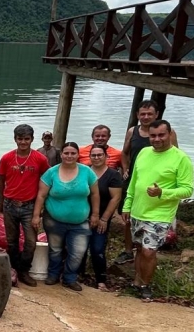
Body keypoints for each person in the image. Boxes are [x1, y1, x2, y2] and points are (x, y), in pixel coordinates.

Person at [123, 120, 192, 300]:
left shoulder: (180, 158)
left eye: (161, 135)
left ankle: (146, 285)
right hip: (138, 210)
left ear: (170, 134)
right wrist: (127, 205)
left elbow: (187, 189)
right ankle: (136, 282)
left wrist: (163, 192)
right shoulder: (144, 152)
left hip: (159, 214)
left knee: (149, 250)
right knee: (139, 247)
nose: (157, 139)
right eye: (153, 135)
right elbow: (134, 182)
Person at [116, 100, 180, 265]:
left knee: (153, 217)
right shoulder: (133, 131)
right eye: (142, 114)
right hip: (136, 179)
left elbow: (176, 157)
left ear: (157, 114)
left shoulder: (169, 132)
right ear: (137, 115)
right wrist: (125, 169)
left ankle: (151, 248)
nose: (145, 117)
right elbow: (124, 153)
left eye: (149, 114)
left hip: (159, 184)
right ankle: (129, 250)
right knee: (128, 217)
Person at [32, 142, 99, 291]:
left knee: (78, 252)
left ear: (78, 155)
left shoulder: (87, 172)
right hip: (55, 220)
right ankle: (53, 274)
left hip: (80, 221)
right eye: (66, 153)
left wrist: (95, 214)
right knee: (55, 249)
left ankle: (69, 277)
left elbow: (95, 194)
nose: (69, 156)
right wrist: (36, 215)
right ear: (61, 154)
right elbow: (41, 195)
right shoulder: (51, 173)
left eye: (73, 153)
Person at [0, 124, 50, 287]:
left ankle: (24, 270)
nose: (23, 142)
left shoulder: (40, 159)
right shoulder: (6, 158)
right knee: (12, 241)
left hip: (29, 206)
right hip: (10, 204)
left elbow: (46, 179)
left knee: (30, 241)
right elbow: (0, 180)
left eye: (26, 139)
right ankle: (14, 269)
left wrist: (41, 205)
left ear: (32, 140)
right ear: (15, 139)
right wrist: (2, 201)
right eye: (20, 139)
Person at [80, 144, 123, 291]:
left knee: (97, 248)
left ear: (106, 157)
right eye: (93, 155)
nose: (96, 158)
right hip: (82, 217)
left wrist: (104, 219)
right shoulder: (84, 172)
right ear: (89, 157)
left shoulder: (113, 175)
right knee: (80, 247)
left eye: (100, 155)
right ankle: (78, 275)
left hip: (102, 217)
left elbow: (115, 198)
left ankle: (101, 279)